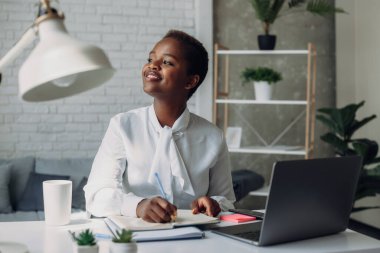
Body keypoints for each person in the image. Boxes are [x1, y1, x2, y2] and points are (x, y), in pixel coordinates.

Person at [84, 29, 235, 223]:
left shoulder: (213, 137)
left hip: (197, 240)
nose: (152, 66)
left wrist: (214, 203)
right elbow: (96, 195)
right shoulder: (122, 126)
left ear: (190, 81)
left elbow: (227, 201)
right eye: (150, 59)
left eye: (166, 62)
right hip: (136, 241)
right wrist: (138, 206)